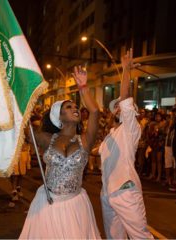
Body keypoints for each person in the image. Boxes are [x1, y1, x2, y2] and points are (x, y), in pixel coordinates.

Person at [19, 66, 101, 239]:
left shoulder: (85, 141)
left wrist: (83, 87)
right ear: (58, 115)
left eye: (76, 106)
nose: (75, 108)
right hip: (47, 203)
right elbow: (21, 128)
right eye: (69, 106)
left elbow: (94, 111)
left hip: (75, 206)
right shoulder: (46, 139)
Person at [99, 48, 153, 239]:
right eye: (115, 108)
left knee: (140, 236)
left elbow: (126, 100)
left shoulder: (131, 128)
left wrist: (126, 70)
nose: (117, 109)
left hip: (125, 191)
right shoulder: (110, 135)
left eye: (121, 107)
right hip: (107, 193)